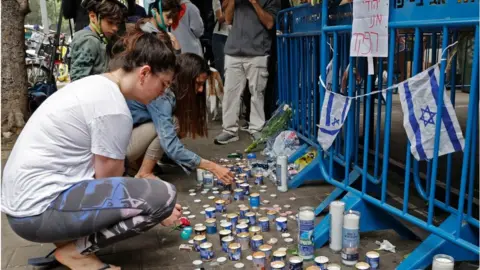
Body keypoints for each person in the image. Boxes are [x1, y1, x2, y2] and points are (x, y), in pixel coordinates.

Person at [2, 28, 180, 270]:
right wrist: (158, 207)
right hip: (36, 213)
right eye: (163, 84)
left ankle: (69, 243)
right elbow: (109, 185)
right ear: (145, 73)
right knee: (164, 196)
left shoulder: (96, 84)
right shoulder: (114, 109)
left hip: (22, 205)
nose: (163, 92)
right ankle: (75, 253)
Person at [126, 52, 234, 183]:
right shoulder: (162, 95)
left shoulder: (168, 90)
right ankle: (144, 172)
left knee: (173, 124)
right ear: (184, 79)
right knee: (173, 123)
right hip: (120, 150)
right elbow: (170, 144)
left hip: (126, 140)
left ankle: (137, 166)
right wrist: (213, 167)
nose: (200, 90)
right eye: (198, 84)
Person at [214, 0, 281, 145]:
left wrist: (254, 3)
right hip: (233, 50)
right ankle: (229, 131)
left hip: (258, 51)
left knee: (257, 93)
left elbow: (270, 23)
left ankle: (256, 128)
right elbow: (228, 19)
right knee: (231, 93)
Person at [69, 0, 128, 81]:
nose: (115, 28)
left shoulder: (101, 39)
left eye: (117, 23)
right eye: (110, 22)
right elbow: (79, 81)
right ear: (93, 16)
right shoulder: (88, 41)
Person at [211, 0, 230, 81]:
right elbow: (220, 18)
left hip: (235, 36)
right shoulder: (217, 0)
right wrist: (231, 6)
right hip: (220, 36)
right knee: (221, 69)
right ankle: (220, 92)